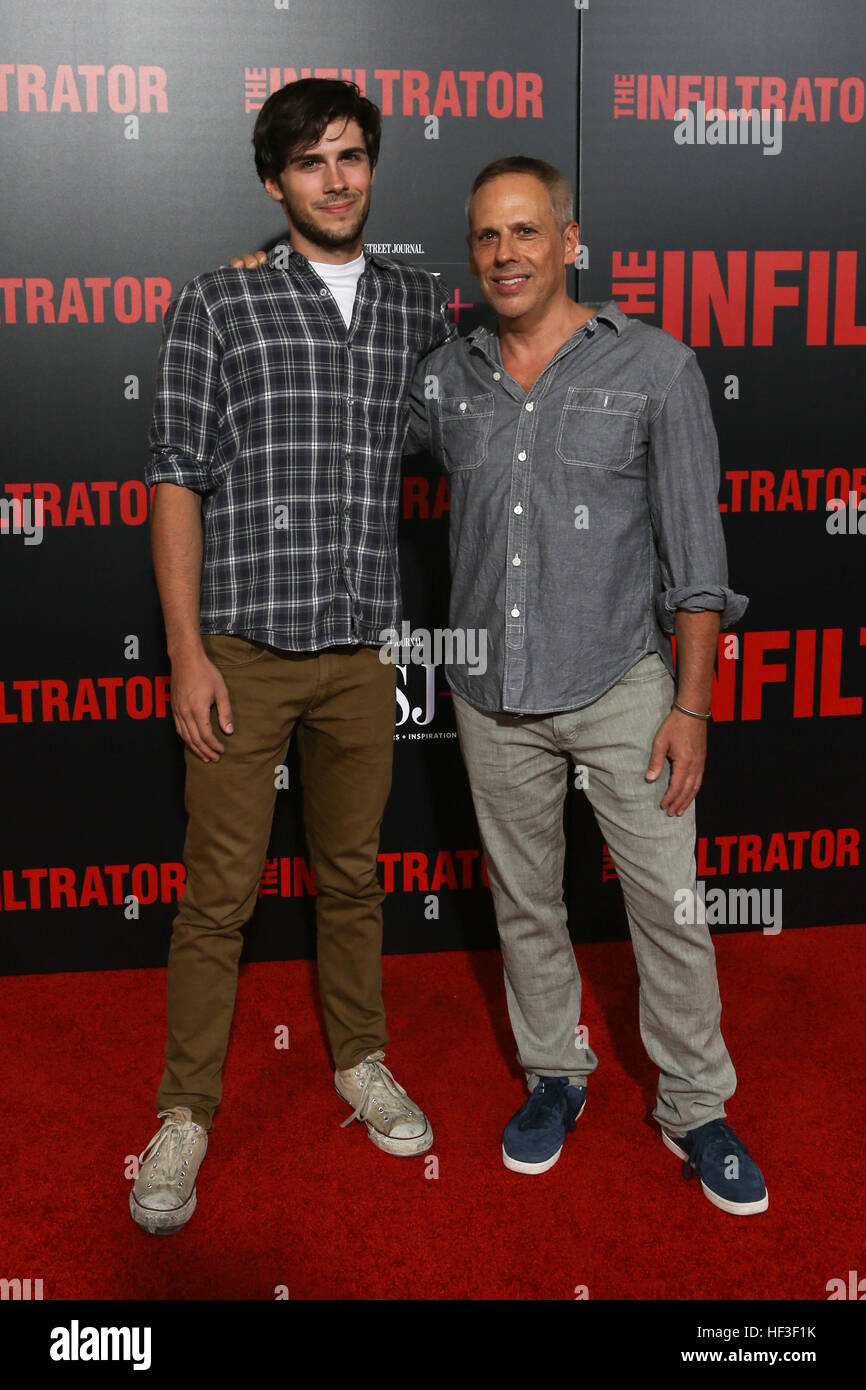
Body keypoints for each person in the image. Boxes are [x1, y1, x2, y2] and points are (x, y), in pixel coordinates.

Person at [405, 156, 767, 1216]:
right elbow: (346, 429)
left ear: (569, 242)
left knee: (666, 906)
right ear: (470, 256)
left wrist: (689, 706)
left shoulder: (654, 367)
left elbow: (697, 562)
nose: (504, 253)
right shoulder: (445, 378)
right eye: (484, 237)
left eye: (525, 232)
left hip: (621, 686)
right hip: (487, 690)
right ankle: (555, 1075)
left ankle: (696, 1104)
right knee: (525, 904)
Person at [133, 78, 455, 1236]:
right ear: (275, 181)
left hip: (360, 653)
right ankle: (184, 1113)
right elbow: (177, 477)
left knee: (354, 875)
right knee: (216, 897)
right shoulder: (220, 303)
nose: (338, 178)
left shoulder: (422, 303)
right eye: (313, 161)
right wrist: (185, 655)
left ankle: (359, 1058)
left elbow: (472, 435)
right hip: (242, 649)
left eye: (353, 156)